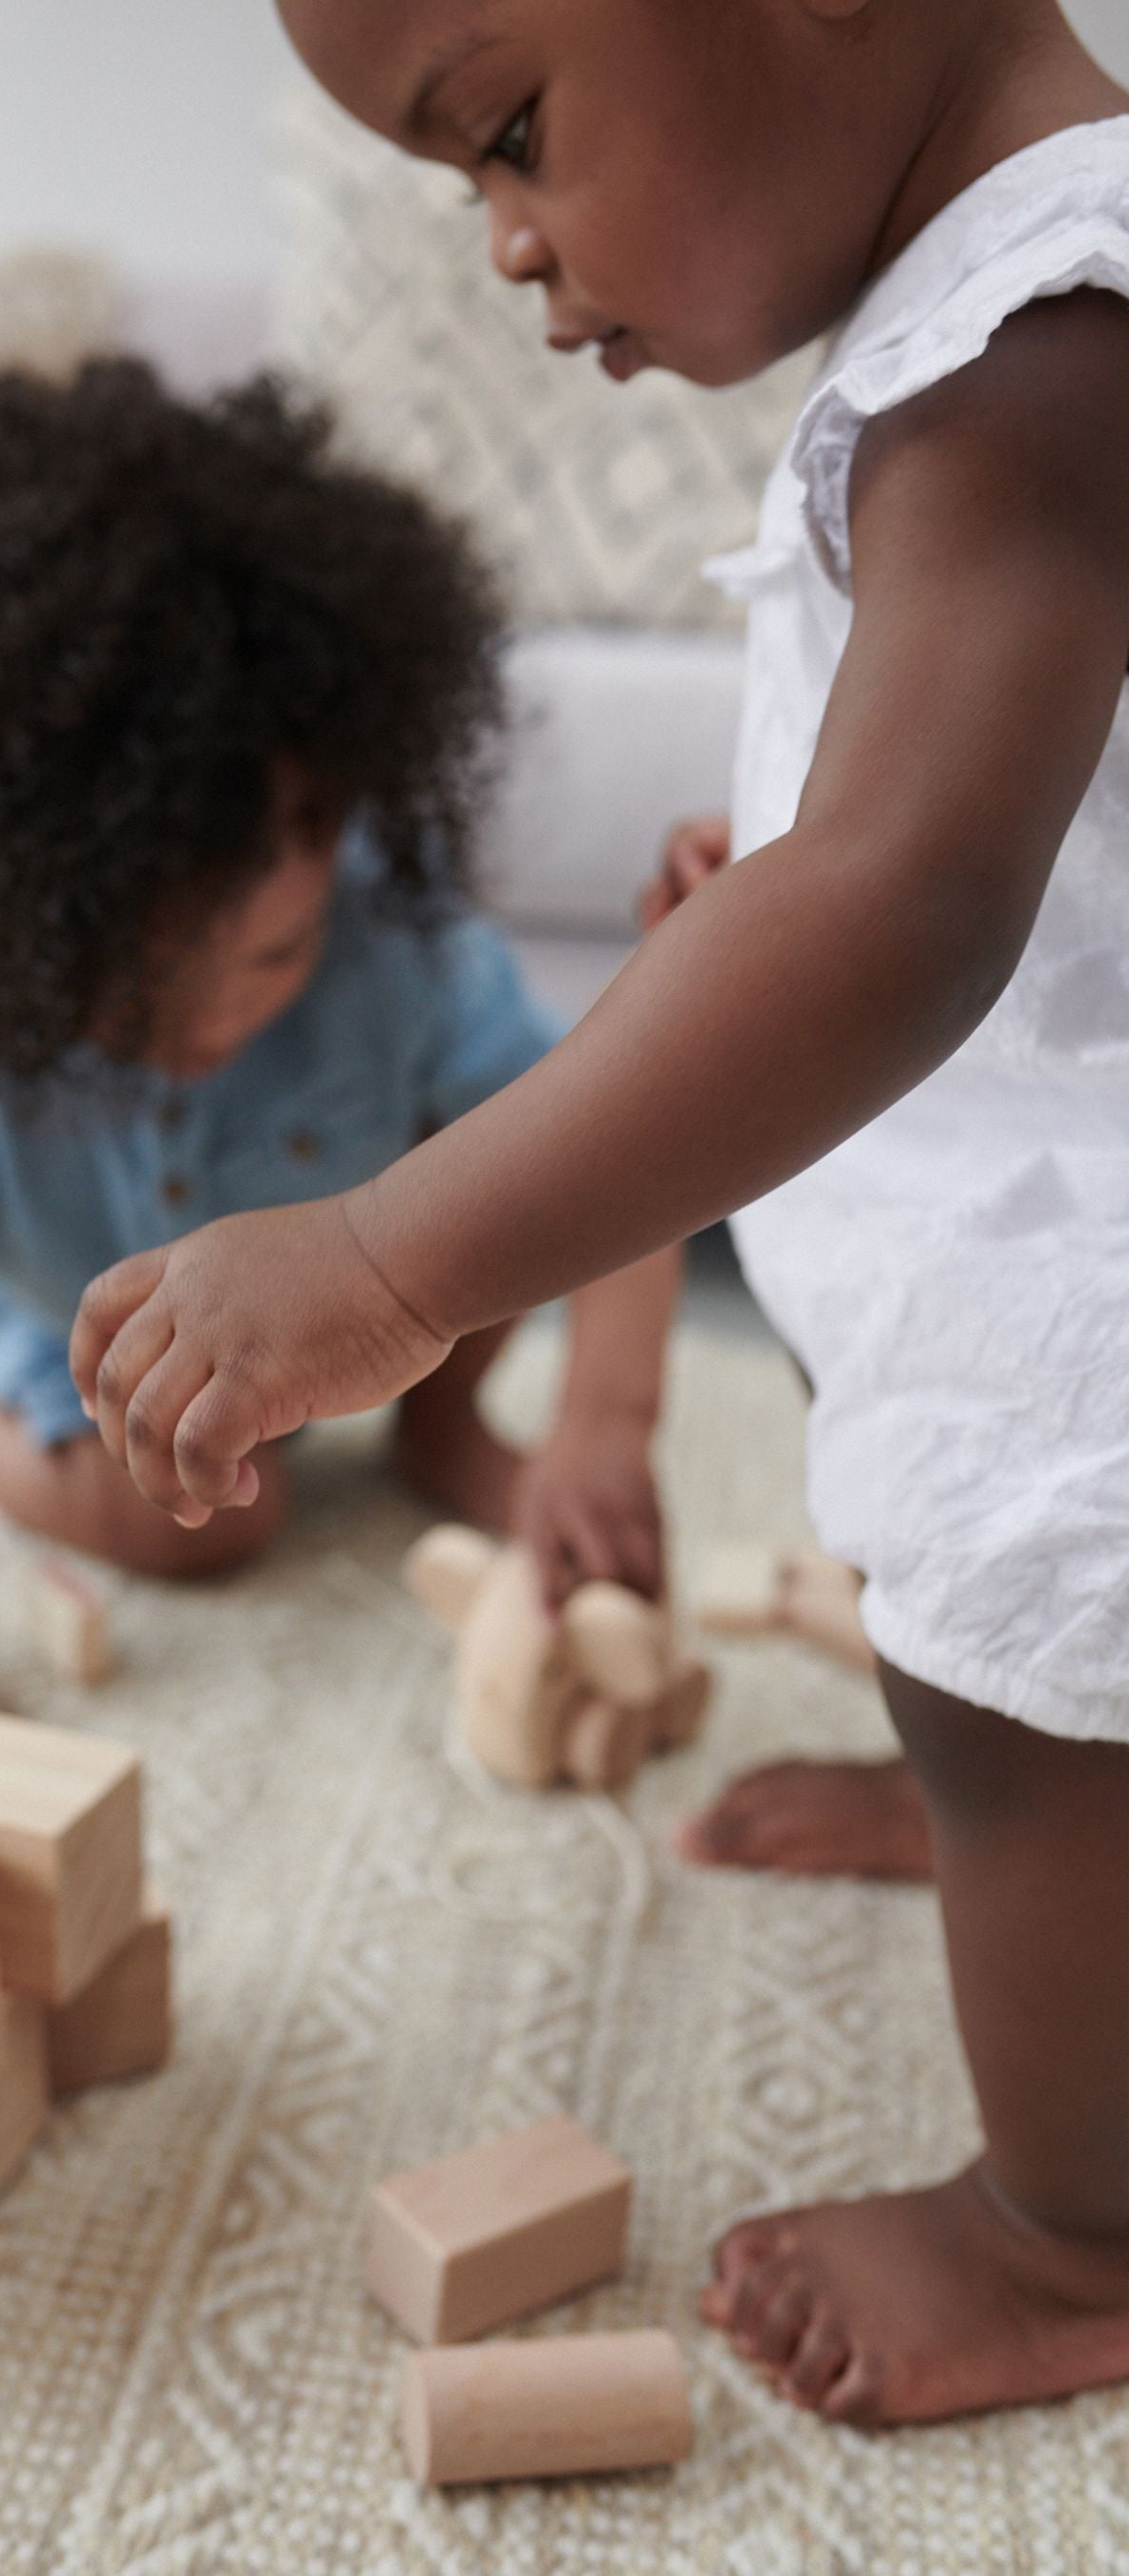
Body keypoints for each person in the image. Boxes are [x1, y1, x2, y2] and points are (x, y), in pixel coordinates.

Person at [70, 0, 1129, 2429]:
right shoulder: (1007, 303)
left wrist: (387, 1260)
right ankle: (1059, 1839)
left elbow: (907, 899)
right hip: (1049, 1146)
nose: (513, 253)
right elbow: (966, 815)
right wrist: (789, 873)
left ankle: (1080, 2226)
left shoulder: (1037, 341)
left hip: (1097, 1246)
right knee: (1001, 1638)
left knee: (1028, 1643)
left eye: (509, 136)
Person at [0, 357, 682, 1785]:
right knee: (214, 1529)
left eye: (275, 959)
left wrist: (602, 1427)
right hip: (84, 1329)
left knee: (509, 1192)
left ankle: (440, 1425)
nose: (214, 1024)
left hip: (365, 1285)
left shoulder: (396, 933)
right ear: (10, 916)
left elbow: (614, 1160)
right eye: (131, 989)